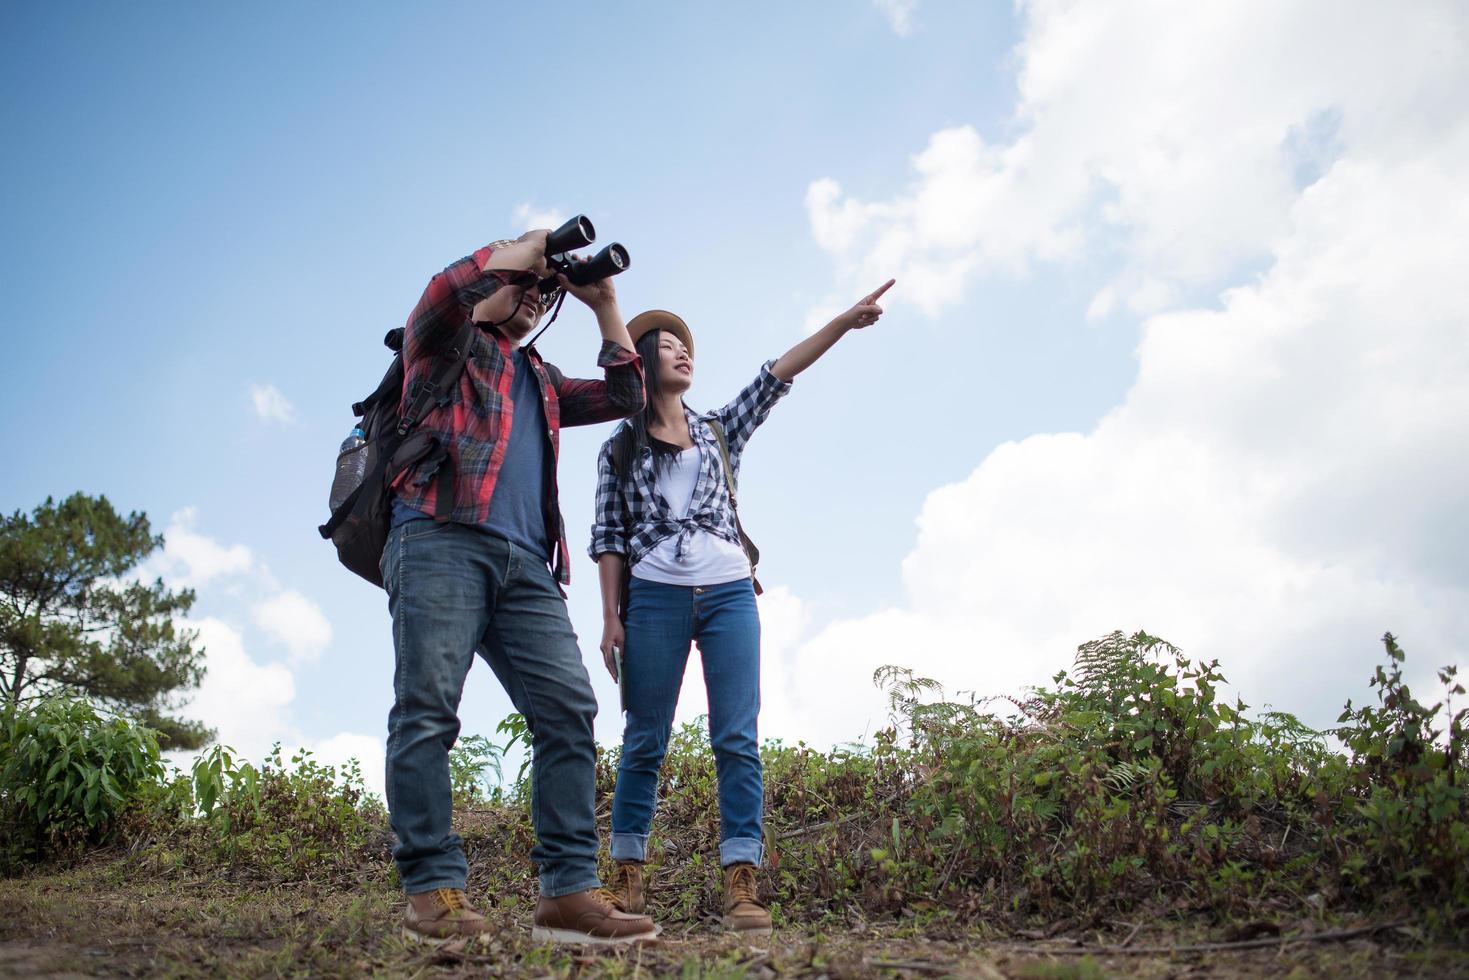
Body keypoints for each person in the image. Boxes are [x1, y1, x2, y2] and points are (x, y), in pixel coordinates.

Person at [589, 280, 896, 935]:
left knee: (736, 738)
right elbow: (607, 540)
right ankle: (627, 877)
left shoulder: (719, 430)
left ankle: (741, 883)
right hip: (652, 599)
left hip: (729, 593)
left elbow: (777, 373)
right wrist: (611, 617)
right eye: (665, 346)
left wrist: (841, 321)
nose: (681, 353)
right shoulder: (616, 448)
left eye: (684, 346)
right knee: (645, 740)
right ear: (640, 363)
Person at [382, 230, 658, 945]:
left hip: (527, 564)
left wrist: (603, 305)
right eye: (526, 288)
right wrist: (530, 249)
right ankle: (432, 889)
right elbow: (447, 293)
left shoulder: (538, 376)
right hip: (439, 535)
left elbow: (628, 394)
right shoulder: (441, 346)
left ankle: (567, 895)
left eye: (543, 296)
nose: (534, 300)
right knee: (428, 710)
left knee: (568, 709)